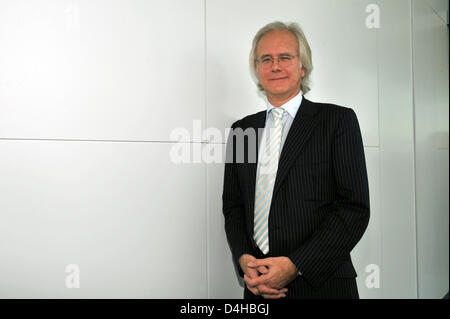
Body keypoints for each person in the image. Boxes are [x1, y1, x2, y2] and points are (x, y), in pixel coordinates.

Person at [222, 21, 370, 299]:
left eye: (285, 58)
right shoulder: (242, 131)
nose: (275, 66)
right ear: (257, 69)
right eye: (266, 59)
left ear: (303, 67)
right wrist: (245, 261)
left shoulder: (337, 121)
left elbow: (354, 208)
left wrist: (296, 265)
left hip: (323, 285)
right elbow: (234, 206)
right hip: (259, 288)